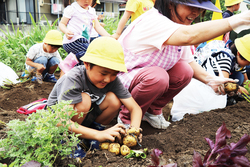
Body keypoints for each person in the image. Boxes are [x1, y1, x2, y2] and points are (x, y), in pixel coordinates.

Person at [116, 0, 250, 129]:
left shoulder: (177, 25)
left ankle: (152, 111)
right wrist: (237, 20)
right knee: (158, 77)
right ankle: (126, 118)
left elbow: (188, 62)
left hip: (146, 79)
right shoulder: (154, 21)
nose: (195, 13)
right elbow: (188, 36)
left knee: (184, 71)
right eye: (190, 7)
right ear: (170, 4)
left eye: (199, 8)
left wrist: (211, 80)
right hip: (123, 80)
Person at [47, 37, 142, 157]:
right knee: (85, 100)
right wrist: (97, 135)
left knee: (114, 100)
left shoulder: (112, 80)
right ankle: (69, 140)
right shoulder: (74, 78)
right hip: (58, 123)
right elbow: (60, 121)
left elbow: (135, 108)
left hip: (82, 119)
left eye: (114, 74)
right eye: (103, 73)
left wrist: (134, 133)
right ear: (87, 64)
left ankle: (90, 135)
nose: (108, 79)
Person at [59, 0, 110, 65]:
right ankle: (68, 63)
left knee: (84, 63)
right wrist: (66, 31)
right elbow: (62, 23)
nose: (86, 1)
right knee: (90, 52)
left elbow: (97, 27)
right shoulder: (72, 9)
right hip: (72, 40)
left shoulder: (91, 11)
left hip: (84, 41)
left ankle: (73, 68)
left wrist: (109, 36)